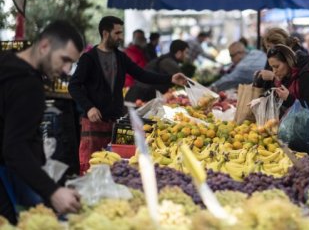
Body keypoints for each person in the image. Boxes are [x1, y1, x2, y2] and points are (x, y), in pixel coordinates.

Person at [68, 16, 187, 172]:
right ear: (105, 33)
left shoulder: (121, 57)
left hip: (115, 123)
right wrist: (89, 107)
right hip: (93, 123)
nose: (121, 37)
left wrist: (170, 78)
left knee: (113, 167)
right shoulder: (88, 59)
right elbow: (74, 86)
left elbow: (142, 75)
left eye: (121, 33)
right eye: (117, 33)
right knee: (90, 166)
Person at [0, 21, 84, 224]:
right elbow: (15, 148)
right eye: (64, 59)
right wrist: (53, 191)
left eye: (71, 63)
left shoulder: (5, 63)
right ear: (45, 46)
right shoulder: (28, 86)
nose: (66, 69)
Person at [125, 40, 190, 102]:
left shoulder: (166, 59)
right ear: (179, 53)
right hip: (140, 95)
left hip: (141, 93)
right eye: (186, 53)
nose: (188, 56)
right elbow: (184, 80)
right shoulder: (169, 62)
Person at [266, 44, 309, 112]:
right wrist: (262, 99)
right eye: (272, 68)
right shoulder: (284, 78)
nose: (274, 72)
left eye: (277, 67)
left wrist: (288, 98)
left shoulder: (306, 76)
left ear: (288, 61)